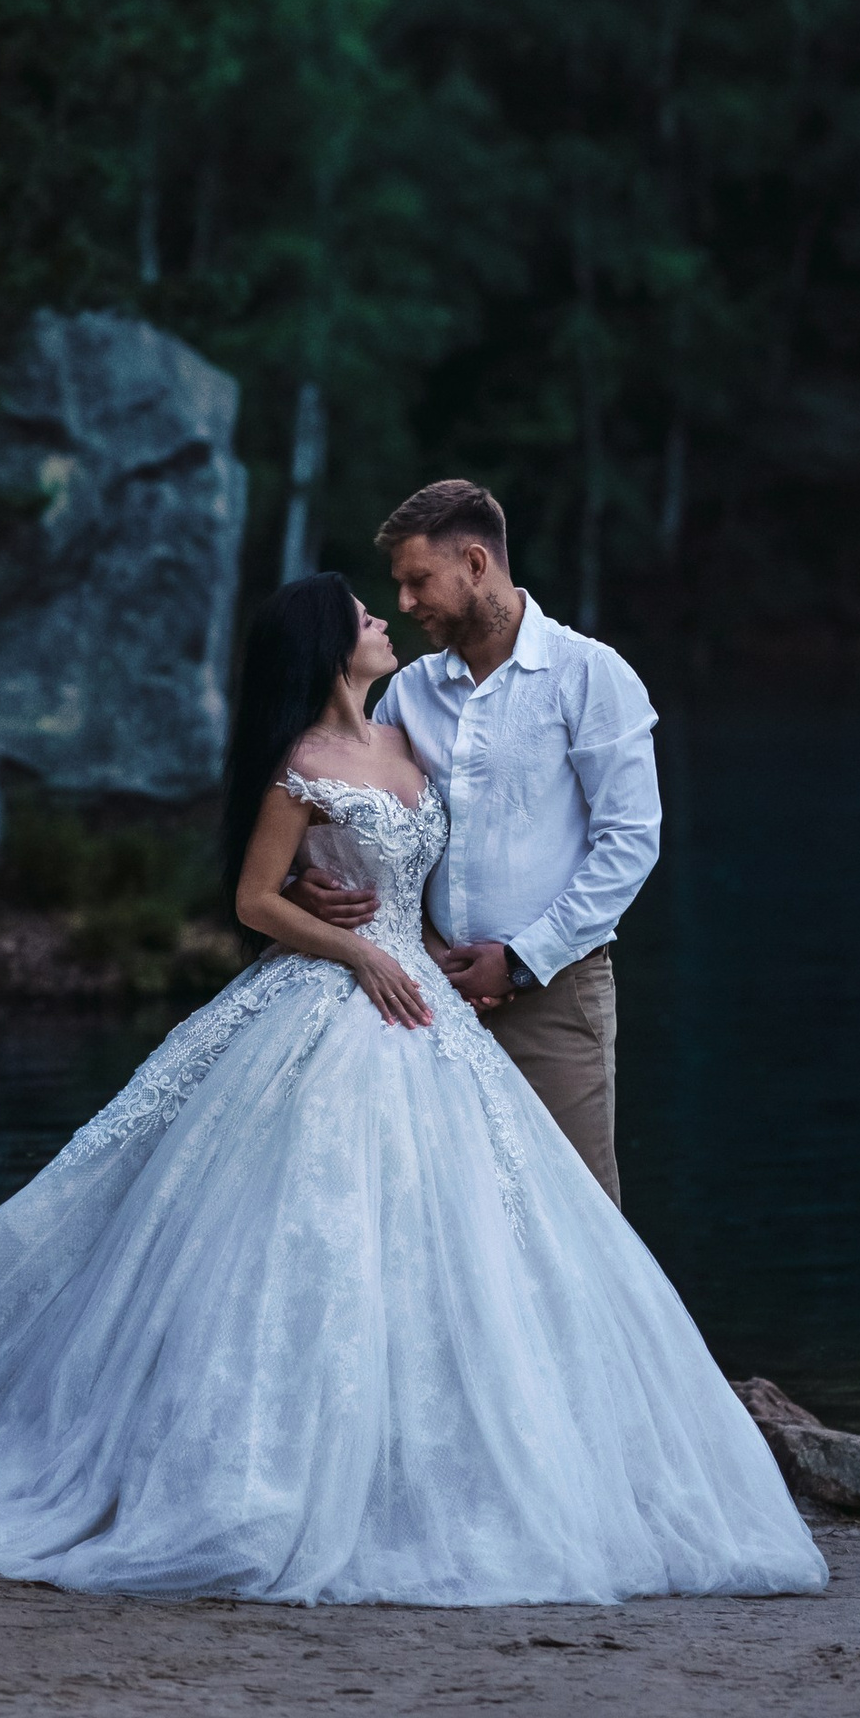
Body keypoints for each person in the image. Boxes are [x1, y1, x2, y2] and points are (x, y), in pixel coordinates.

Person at [0, 572, 821, 1610]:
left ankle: (467, 1456)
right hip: (342, 1003)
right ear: (329, 644)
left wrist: (421, 943)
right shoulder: (303, 756)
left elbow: (474, 846)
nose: (389, 617)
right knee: (297, 1239)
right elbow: (255, 898)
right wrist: (356, 945)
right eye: (368, 611)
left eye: (399, 596)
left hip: (430, 1006)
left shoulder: (411, 724)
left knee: (472, 1244)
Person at [294, 476, 655, 1202]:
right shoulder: (409, 691)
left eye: (418, 580)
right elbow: (360, 819)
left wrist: (518, 963)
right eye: (397, 585)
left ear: (476, 564)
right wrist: (307, 882)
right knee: (443, 1220)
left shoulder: (589, 674)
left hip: (554, 999)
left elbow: (629, 843)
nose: (403, 602)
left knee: (576, 1218)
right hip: (424, 1000)